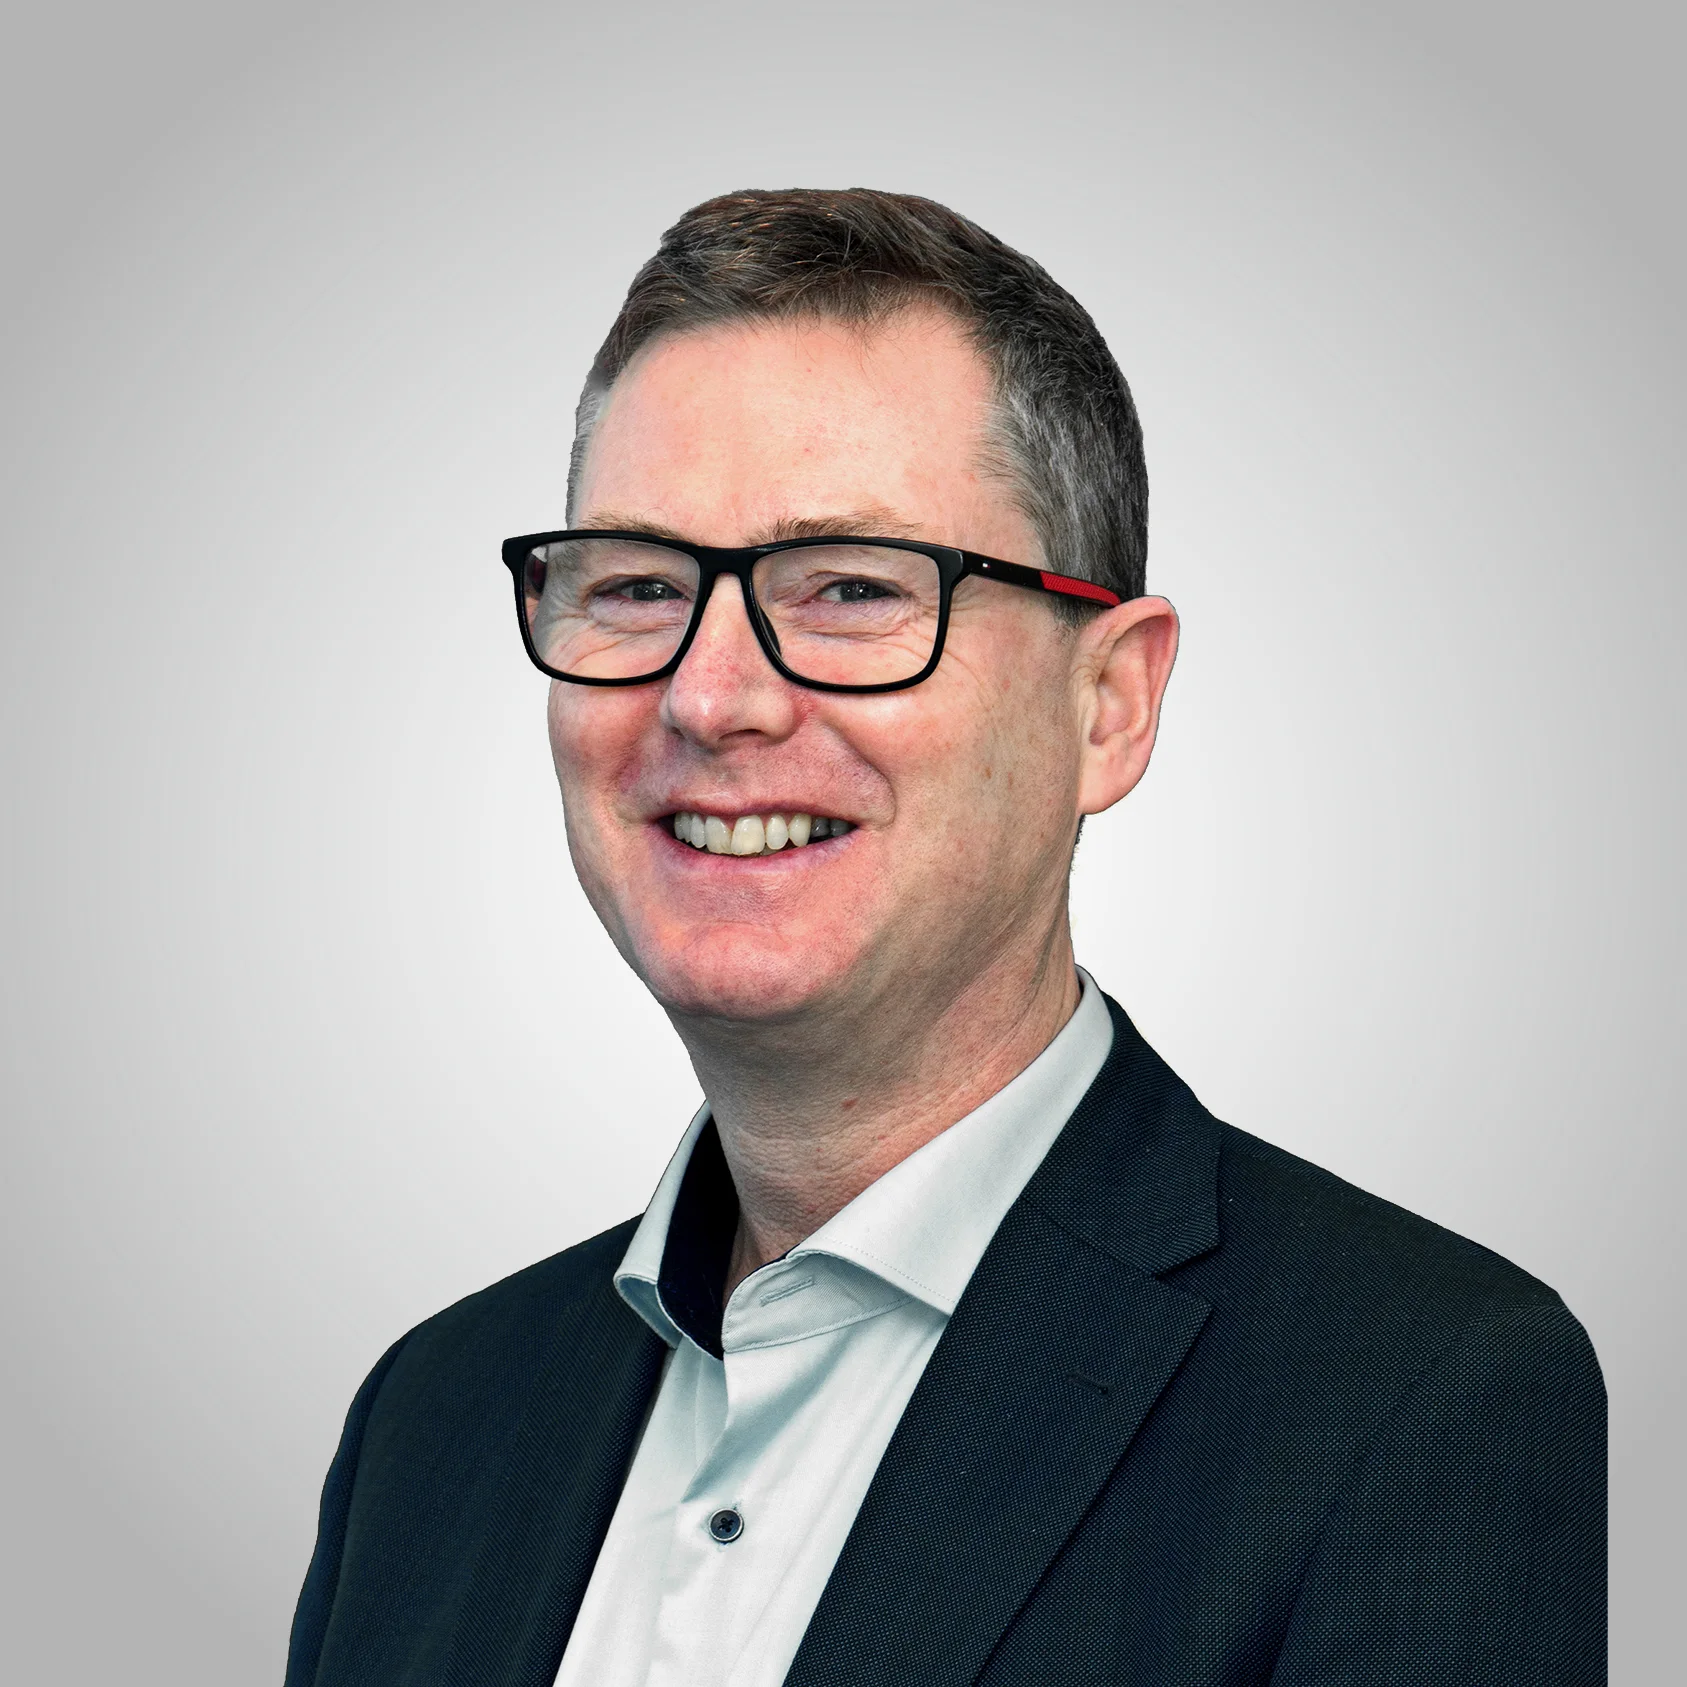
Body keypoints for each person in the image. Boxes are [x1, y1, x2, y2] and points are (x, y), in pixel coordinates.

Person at [283, 188, 1605, 1687]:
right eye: (638, 586)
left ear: (1108, 704)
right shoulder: (432, 1420)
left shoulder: (1418, 1398)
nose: (710, 699)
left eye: (851, 588)